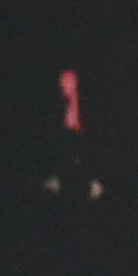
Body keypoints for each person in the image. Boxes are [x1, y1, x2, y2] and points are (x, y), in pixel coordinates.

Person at [43, 67, 100, 199]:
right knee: (68, 153)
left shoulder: (70, 79)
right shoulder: (68, 79)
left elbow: (67, 96)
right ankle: (58, 180)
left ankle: (93, 184)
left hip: (76, 126)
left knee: (79, 155)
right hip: (70, 125)